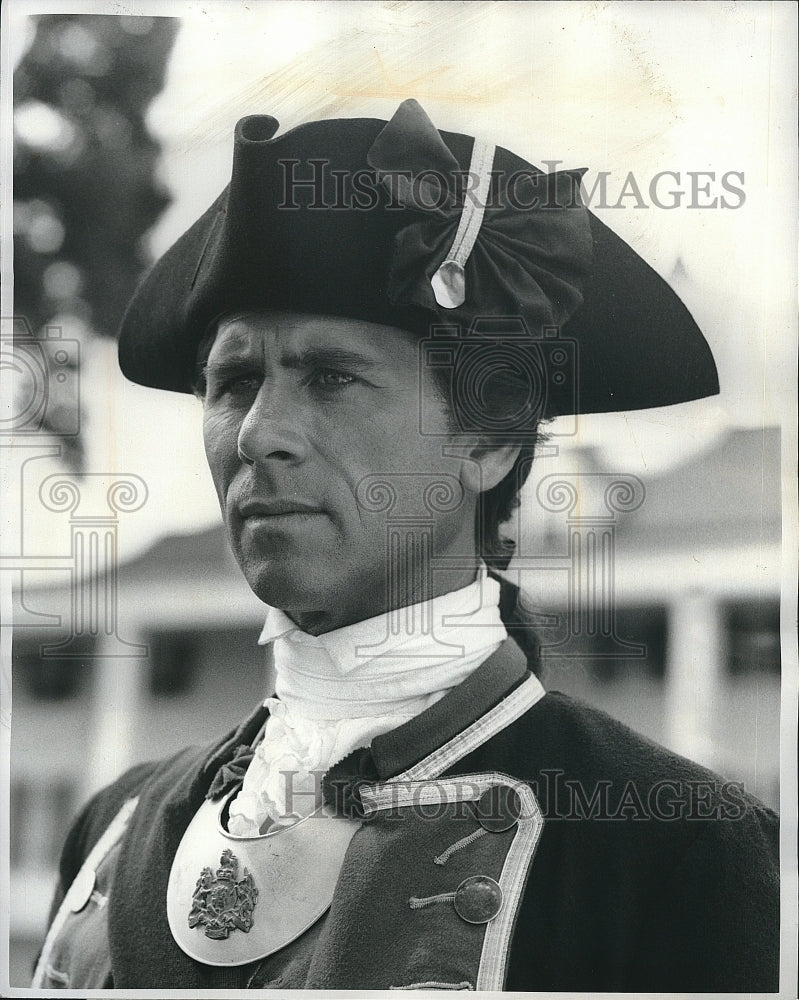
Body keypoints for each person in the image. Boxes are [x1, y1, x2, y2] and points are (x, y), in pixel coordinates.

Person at [33, 99, 778, 992]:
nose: (259, 433)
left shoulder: (668, 851)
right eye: (233, 381)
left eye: (333, 377)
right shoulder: (115, 826)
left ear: (490, 438)